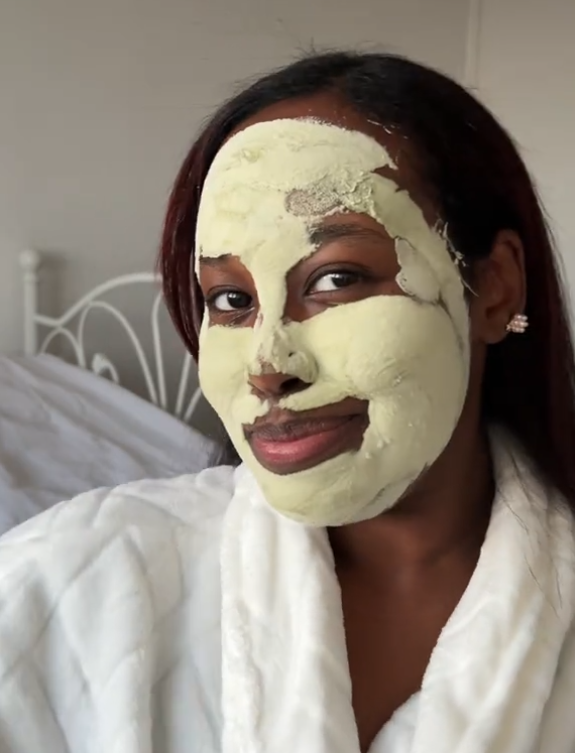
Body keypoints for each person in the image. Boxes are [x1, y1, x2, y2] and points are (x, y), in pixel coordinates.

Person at [0, 52, 575, 753]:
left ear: (495, 289)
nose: (268, 365)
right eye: (230, 299)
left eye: (335, 279)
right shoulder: (70, 582)